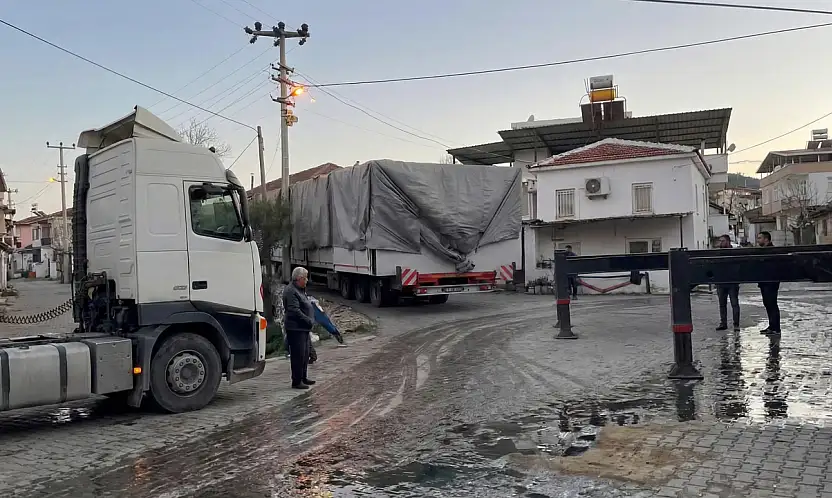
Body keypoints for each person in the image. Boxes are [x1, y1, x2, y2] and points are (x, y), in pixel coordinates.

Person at [282, 266, 316, 389]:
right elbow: (294, 310)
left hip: (303, 328)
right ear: (299, 278)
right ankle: (296, 381)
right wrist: (307, 320)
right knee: (298, 355)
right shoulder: (291, 291)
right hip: (295, 328)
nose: (307, 280)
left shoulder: (300, 289)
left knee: (305, 354)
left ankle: (303, 377)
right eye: (305, 278)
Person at [756, 231, 781, 336]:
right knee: (768, 304)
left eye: (760, 238)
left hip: (770, 282)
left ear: (766, 239)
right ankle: (772, 326)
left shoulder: (772, 251)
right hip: (764, 281)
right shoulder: (763, 251)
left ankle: (776, 328)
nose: (758, 240)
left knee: (772, 304)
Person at [714, 234, 740, 331]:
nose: (721, 243)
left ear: (728, 242)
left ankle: (736, 324)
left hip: (732, 282)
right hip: (721, 282)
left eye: (723, 241)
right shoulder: (718, 253)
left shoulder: (734, 253)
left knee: (734, 303)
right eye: (720, 241)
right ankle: (723, 323)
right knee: (722, 304)